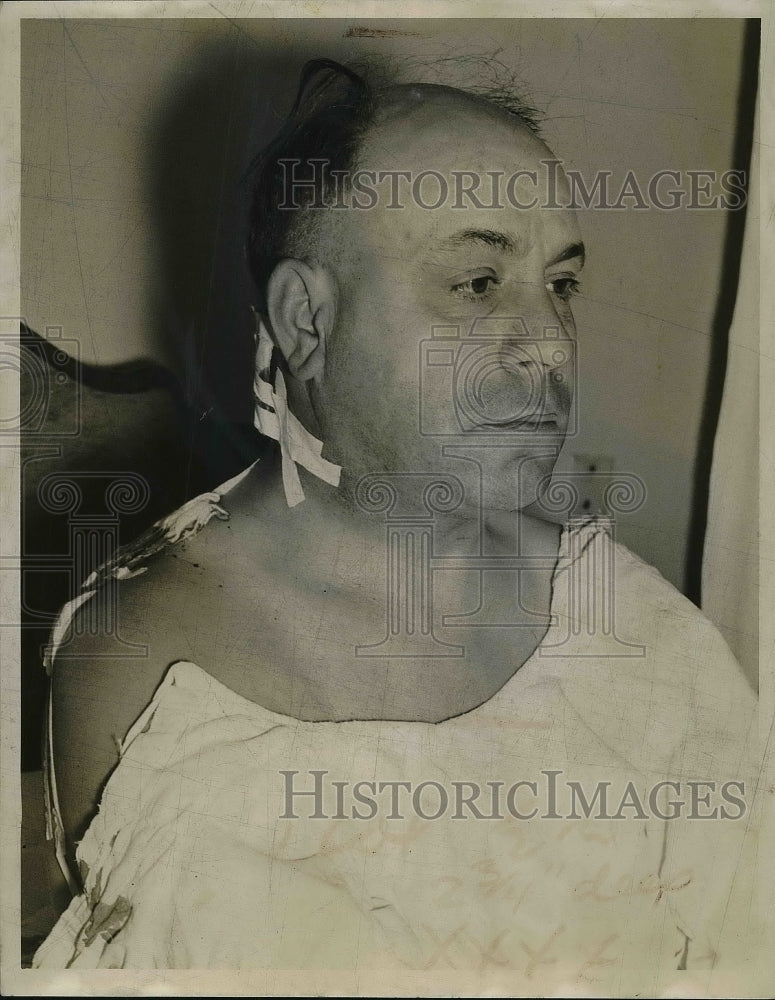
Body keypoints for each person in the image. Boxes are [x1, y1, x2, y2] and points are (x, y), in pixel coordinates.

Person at [33, 60, 758, 989]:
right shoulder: (149, 672)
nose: (546, 342)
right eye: (477, 282)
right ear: (305, 321)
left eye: (561, 286)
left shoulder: (635, 633)